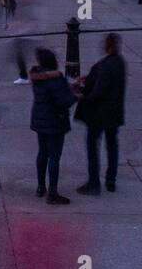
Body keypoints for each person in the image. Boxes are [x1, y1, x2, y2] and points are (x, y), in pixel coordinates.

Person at [74, 33, 126, 195]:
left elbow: (98, 91)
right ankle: (111, 180)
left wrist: (81, 96)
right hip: (115, 112)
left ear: (108, 45)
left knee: (92, 145)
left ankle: (94, 182)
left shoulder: (104, 66)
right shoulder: (120, 62)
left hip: (99, 113)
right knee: (112, 145)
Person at [29, 48, 76, 205]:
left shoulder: (37, 77)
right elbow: (63, 101)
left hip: (40, 119)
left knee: (42, 153)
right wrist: (75, 95)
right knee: (54, 157)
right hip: (55, 122)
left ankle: (41, 186)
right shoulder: (55, 79)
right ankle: (53, 192)